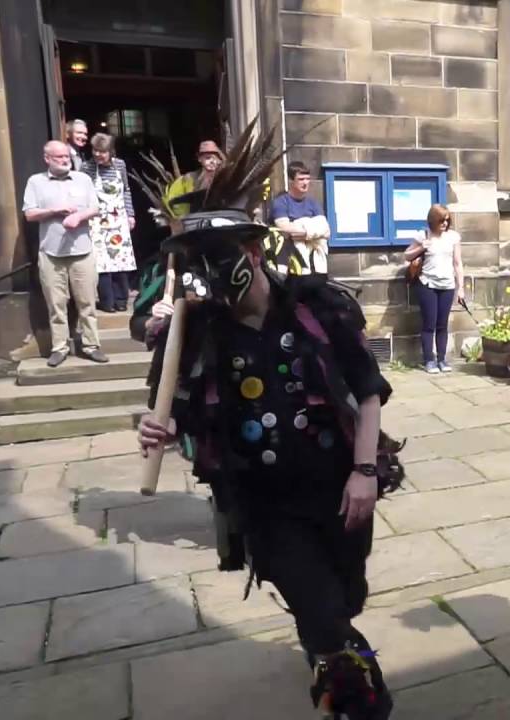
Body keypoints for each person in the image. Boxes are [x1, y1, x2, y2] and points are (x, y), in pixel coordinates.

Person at [134, 125, 402, 719]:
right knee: (321, 611)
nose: (213, 273)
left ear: (254, 251)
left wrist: (363, 472)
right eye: (201, 263)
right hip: (266, 504)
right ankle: (352, 687)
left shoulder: (318, 307)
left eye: (223, 256)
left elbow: (368, 390)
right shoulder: (198, 334)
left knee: (345, 593)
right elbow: (178, 418)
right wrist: (158, 430)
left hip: (340, 489)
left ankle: (330, 639)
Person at [22, 140, 106, 367]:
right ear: (47, 158)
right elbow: (29, 214)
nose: (64, 159)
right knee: (56, 304)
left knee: (87, 302)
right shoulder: (36, 182)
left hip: (82, 251)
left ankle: (91, 345)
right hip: (51, 253)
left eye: (66, 156)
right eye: (58, 156)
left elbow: (96, 208)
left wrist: (79, 217)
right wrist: (54, 211)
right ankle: (59, 347)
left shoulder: (83, 179)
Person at [402, 204, 464, 374]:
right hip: (427, 284)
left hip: (447, 285)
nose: (445, 223)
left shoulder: (453, 237)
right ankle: (429, 360)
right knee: (429, 324)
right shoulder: (423, 235)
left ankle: (442, 359)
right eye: (441, 220)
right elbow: (406, 255)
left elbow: (458, 264)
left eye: (447, 220)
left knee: (442, 325)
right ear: (433, 220)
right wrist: (422, 247)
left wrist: (461, 288)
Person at [84, 133, 137, 312]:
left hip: (118, 219)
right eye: (95, 151)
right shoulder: (86, 167)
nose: (98, 155)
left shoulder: (119, 165)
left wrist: (130, 214)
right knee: (102, 263)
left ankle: (121, 300)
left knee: (121, 261)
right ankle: (107, 302)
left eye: (102, 151)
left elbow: (126, 190)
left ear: (110, 151)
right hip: (96, 221)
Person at [268, 161, 330, 276]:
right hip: (289, 264)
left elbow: (326, 230)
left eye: (307, 179)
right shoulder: (281, 202)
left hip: (315, 264)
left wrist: (305, 232)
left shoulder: (313, 203)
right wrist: (313, 231)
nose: (305, 183)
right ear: (291, 181)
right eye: (301, 179)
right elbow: (285, 230)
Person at [165, 140, 225, 219]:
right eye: (208, 158)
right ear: (200, 159)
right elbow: (176, 202)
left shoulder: (223, 177)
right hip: (196, 220)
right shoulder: (189, 178)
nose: (212, 161)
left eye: (215, 158)